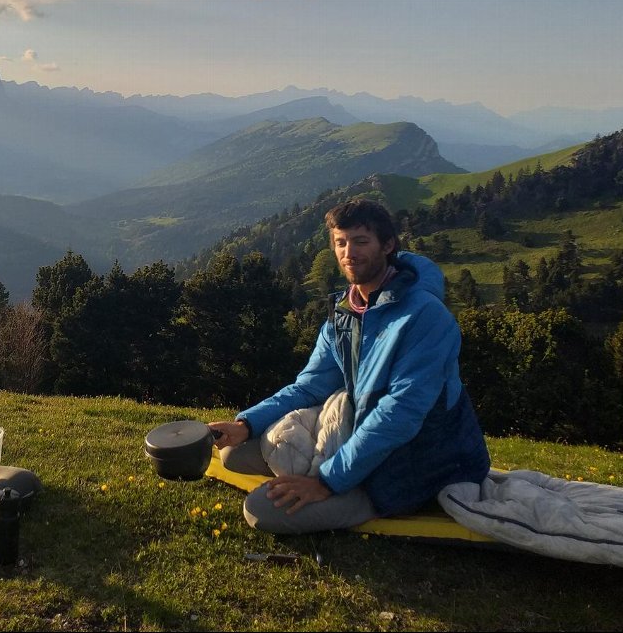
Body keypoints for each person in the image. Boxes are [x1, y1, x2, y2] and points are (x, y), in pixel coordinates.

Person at [208, 198, 490, 534]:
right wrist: (247, 424)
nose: (349, 253)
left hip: (420, 460)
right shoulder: (345, 312)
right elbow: (309, 386)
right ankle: (334, 478)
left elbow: (400, 414)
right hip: (361, 435)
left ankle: (362, 494)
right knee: (234, 453)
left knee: (261, 511)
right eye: (340, 243)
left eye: (360, 241)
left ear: (387, 246)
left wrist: (326, 482)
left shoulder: (425, 316)